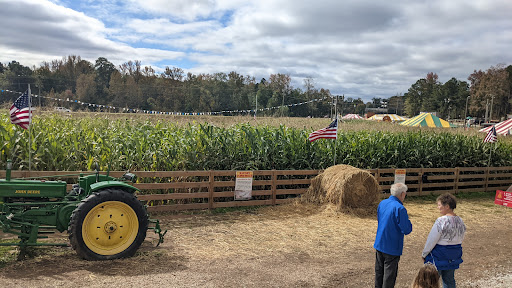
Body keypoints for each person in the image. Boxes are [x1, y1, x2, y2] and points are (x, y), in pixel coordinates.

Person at [422, 193, 466, 288]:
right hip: (454, 254)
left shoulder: (441, 221)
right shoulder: (460, 221)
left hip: (439, 255)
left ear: (447, 206)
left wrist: (424, 253)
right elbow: (461, 237)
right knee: (449, 280)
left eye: (439, 205)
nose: (438, 207)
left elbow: (432, 239)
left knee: (431, 281)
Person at [374, 183, 413, 288]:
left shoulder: (382, 203)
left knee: (379, 272)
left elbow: (379, 219)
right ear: (402, 194)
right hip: (392, 246)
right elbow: (407, 229)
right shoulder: (400, 208)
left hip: (379, 242)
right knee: (389, 276)